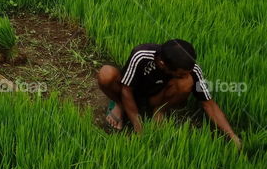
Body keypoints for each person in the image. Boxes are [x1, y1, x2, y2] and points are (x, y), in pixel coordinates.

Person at [96, 39, 241, 147]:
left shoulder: (191, 69)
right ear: (162, 64)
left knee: (187, 83)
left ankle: (159, 111)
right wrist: (138, 125)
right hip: (132, 92)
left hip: (157, 97)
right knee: (106, 74)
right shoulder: (142, 55)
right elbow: (126, 89)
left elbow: (208, 103)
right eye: (181, 73)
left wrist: (232, 135)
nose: (187, 74)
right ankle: (121, 106)